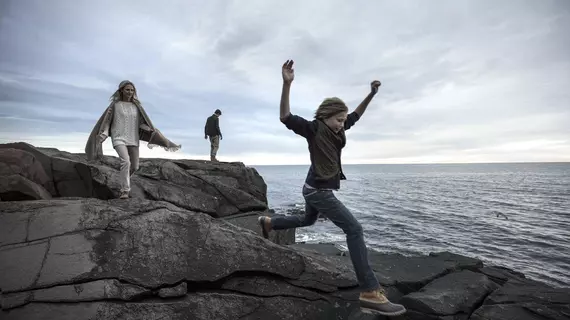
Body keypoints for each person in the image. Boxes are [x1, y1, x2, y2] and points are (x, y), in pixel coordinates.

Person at [258, 60, 406, 316]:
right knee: (354, 229)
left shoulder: (338, 130)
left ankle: (269, 223)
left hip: (312, 184)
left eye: (342, 120)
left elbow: (356, 115)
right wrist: (287, 83)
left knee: (307, 220)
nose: (341, 123)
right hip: (318, 190)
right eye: (338, 119)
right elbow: (285, 116)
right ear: (325, 116)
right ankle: (370, 291)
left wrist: (371, 94)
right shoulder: (313, 129)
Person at [85, 80, 181, 199]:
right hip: (118, 137)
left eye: (132, 90)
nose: (130, 92)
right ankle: (125, 190)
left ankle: (123, 180)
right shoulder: (115, 105)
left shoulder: (137, 106)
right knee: (126, 162)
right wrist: (103, 135)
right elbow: (107, 122)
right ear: (121, 91)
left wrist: (150, 130)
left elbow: (140, 124)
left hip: (133, 139)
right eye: (127, 90)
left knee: (135, 167)